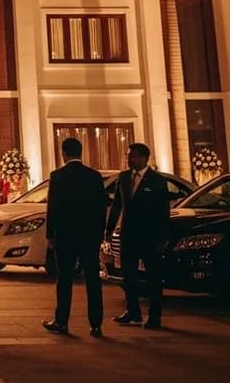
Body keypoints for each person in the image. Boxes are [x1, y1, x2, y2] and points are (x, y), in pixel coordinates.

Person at [42, 137, 108, 336]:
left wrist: (50, 234)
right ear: (81, 153)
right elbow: (101, 207)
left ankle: (61, 321)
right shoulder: (94, 176)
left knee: (64, 279)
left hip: (65, 235)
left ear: (64, 153)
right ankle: (96, 324)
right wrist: (100, 233)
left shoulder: (58, 176)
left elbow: (52, 207)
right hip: (89, 235)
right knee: (92, 280)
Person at [105, 143, 170, 329]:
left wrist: (162, 238)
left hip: (150, 236)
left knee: (153, 277)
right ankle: (132, 311)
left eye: (132, 156)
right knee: (129, 275)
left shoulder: (157, 181)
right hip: (128, 234)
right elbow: (117, 205)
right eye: (128, 156)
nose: (128, 159)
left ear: (143, 158)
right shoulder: (124, 178)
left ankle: (154, 316)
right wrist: (109, 230)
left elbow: (162, 212)